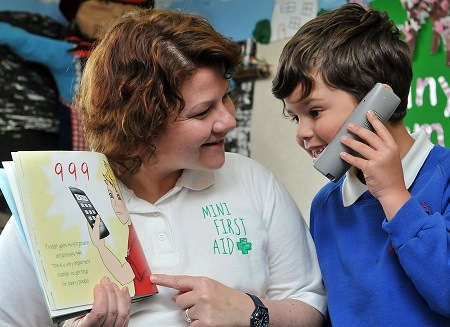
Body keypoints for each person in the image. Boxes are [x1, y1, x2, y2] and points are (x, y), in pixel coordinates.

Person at [0, 8, 327, 327]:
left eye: (225, 98)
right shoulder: (47, 206)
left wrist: (253, 312)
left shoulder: (254, 181)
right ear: (140, 126)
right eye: (202, 113)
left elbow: (310, 304)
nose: (229, 120)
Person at [272, 3, 450, 326]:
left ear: (377, 100)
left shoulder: (445, 175)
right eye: (294, 117)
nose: (301, 133)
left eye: (314, 112)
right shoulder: (325, 205)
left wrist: (395, 197)